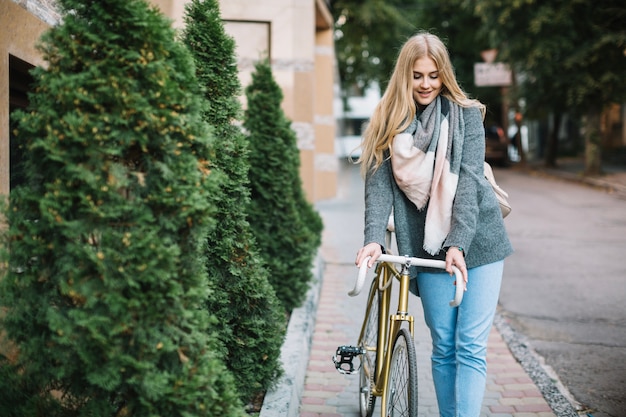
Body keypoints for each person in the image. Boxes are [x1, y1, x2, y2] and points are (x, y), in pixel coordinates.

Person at [354, 32, 513, 417]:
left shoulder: (466, 115)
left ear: (445, 76)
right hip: (426, 247)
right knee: (444, 344)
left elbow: (471, 186)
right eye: (417, 75)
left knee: (471, 346)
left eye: (434, 75)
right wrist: (374, 239)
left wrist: (457, 243)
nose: (426, 84)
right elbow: (378, 188)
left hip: (479, 242)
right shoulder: (387, 120)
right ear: (404, 76)